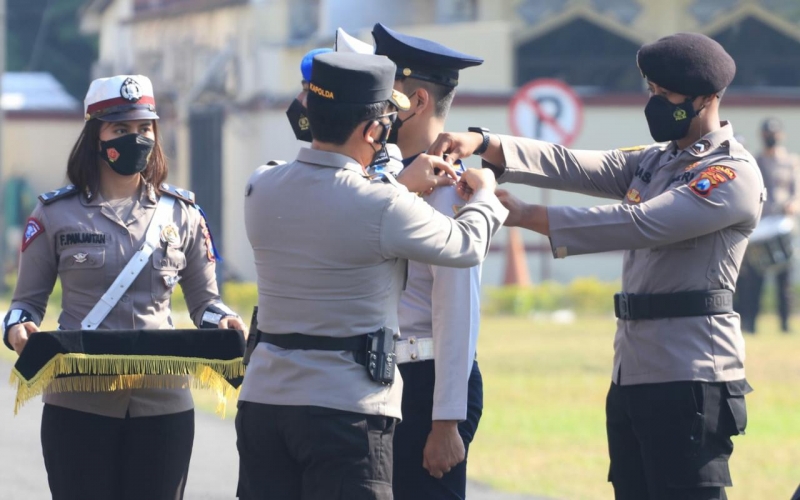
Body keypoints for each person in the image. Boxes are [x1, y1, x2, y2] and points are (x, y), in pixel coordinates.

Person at [428, 33, 762, 500]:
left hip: (692, 375)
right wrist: (485, 142)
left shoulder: (730, 174)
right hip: (633, 370)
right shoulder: (658, 161)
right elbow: (572, 164)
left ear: (707, 98)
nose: (654, 102)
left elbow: (640, 223)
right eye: (651, 90)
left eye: (667, 94)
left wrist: (529, 215)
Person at [237, 52, 507, 500]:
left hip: (265, 404)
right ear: (373, 131)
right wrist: (487, 194)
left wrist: (397, 185)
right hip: (345, 411)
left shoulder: (260, 184)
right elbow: (464, 246)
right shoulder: (383, 204)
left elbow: (334, 211)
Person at [2, 74, 245, 500]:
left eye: (144, 127)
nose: (136, 138)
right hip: (79, 401)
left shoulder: (183, 214)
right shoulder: (54, 213)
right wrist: (17, 329)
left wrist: (223, 319)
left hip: (163, 403)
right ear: (95, 136)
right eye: (120, 129)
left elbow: (206, 302)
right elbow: (25, 304)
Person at [371, 22, 485, 499]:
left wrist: (447, 421)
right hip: (379, 376)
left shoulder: (450, 190)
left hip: (425, 383)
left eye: (385, 95)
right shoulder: (382, 178)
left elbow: (457, 310)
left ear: (416, 101)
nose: (375, 107)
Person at [735, 117, 800, 333]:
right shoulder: (757, 161)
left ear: (781, 135)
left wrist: (793, 205)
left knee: (784, 280)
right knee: (755, 279)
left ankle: (785, 324)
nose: (770, 138)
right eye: (767, 134)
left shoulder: (791, 162)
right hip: (761, 227)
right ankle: (751, 324)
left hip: (782, 224)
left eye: (773, 134)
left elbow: (796, 193)